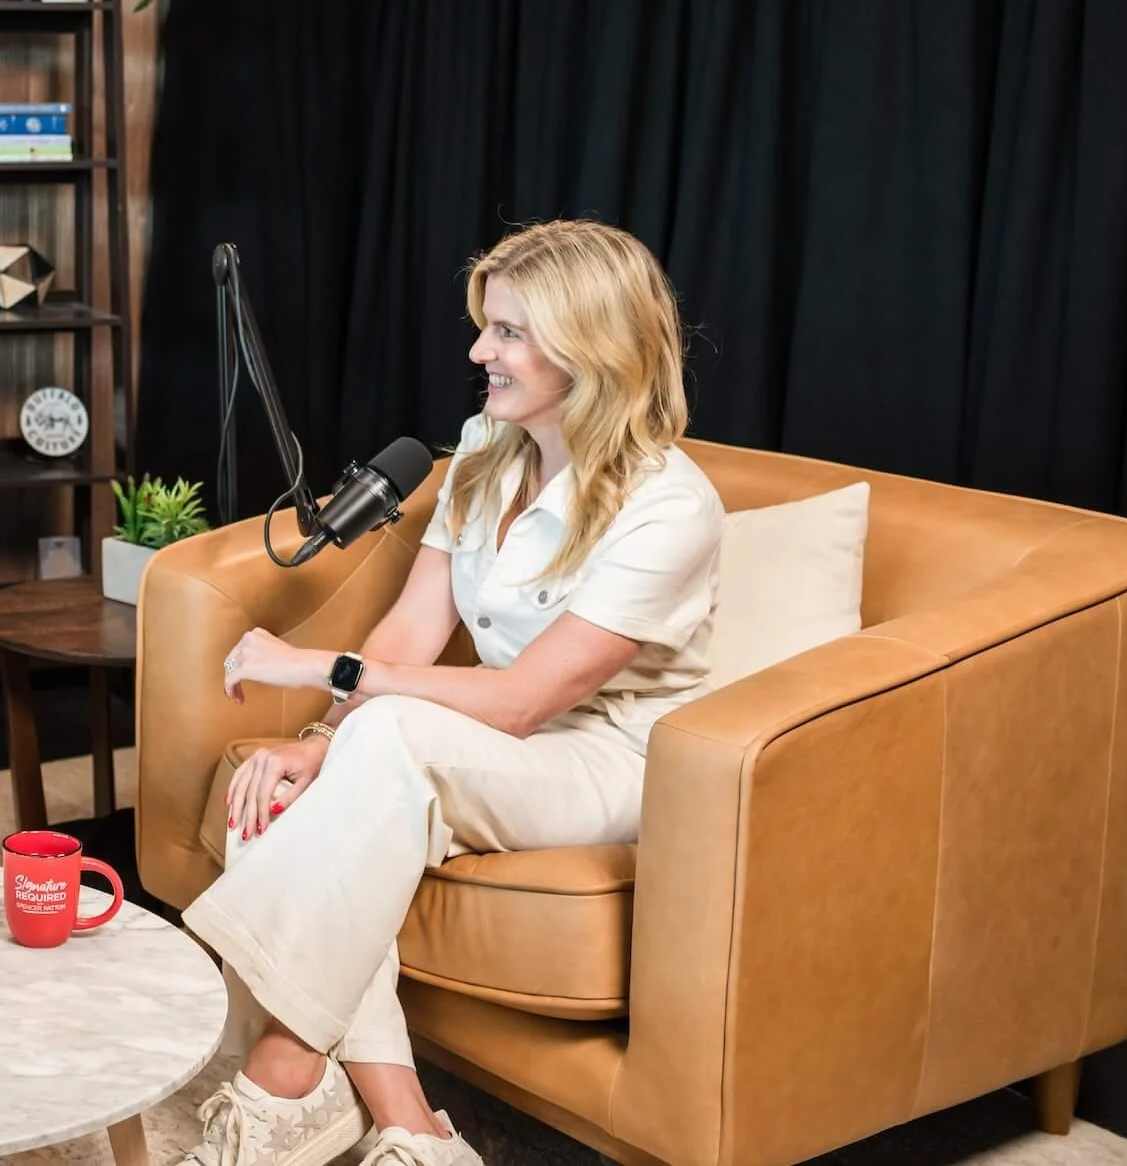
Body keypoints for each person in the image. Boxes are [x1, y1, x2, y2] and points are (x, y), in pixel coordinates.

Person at [177, 219, 722, 1166]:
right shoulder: (484, 446)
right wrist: (316, 740)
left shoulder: (670, 506)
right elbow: (411, 627)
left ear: (588, 346)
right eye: (485, 327)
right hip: (492, 737)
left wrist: (323, 671)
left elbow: (523, 702)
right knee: (286, 792)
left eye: (508, 332)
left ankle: (281, 1079)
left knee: (386, 736)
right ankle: (408, 1126)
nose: (479, 352)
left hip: (615, 760)